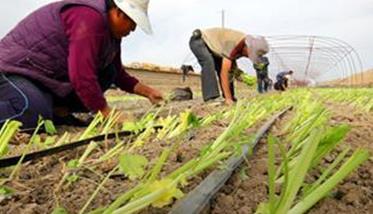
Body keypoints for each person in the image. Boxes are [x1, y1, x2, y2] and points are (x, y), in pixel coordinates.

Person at [0, 0, 163, 129]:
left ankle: (56, 110)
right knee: (31, 111)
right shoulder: (89, 17)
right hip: (14, 70)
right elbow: (81, 75)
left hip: (43, 79)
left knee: (108, 73)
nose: (134, 29)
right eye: (133, 22)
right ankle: (42, 109)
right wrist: (106, 112)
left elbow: (118, 75)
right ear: (119, 12)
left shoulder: (112, 36)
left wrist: (148, 92)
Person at [189, 27, 269, 105]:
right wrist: (228, 99)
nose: (249, 56)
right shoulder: (233, 44)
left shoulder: (242, 46)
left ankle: (230, 97)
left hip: (214, 50)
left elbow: (231, 66)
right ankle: (211, 98)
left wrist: (239, 74)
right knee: (208, 62)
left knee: (228, 69)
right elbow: (224, 73)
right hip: (199, 41)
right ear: (248, 47)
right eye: (251, 54)